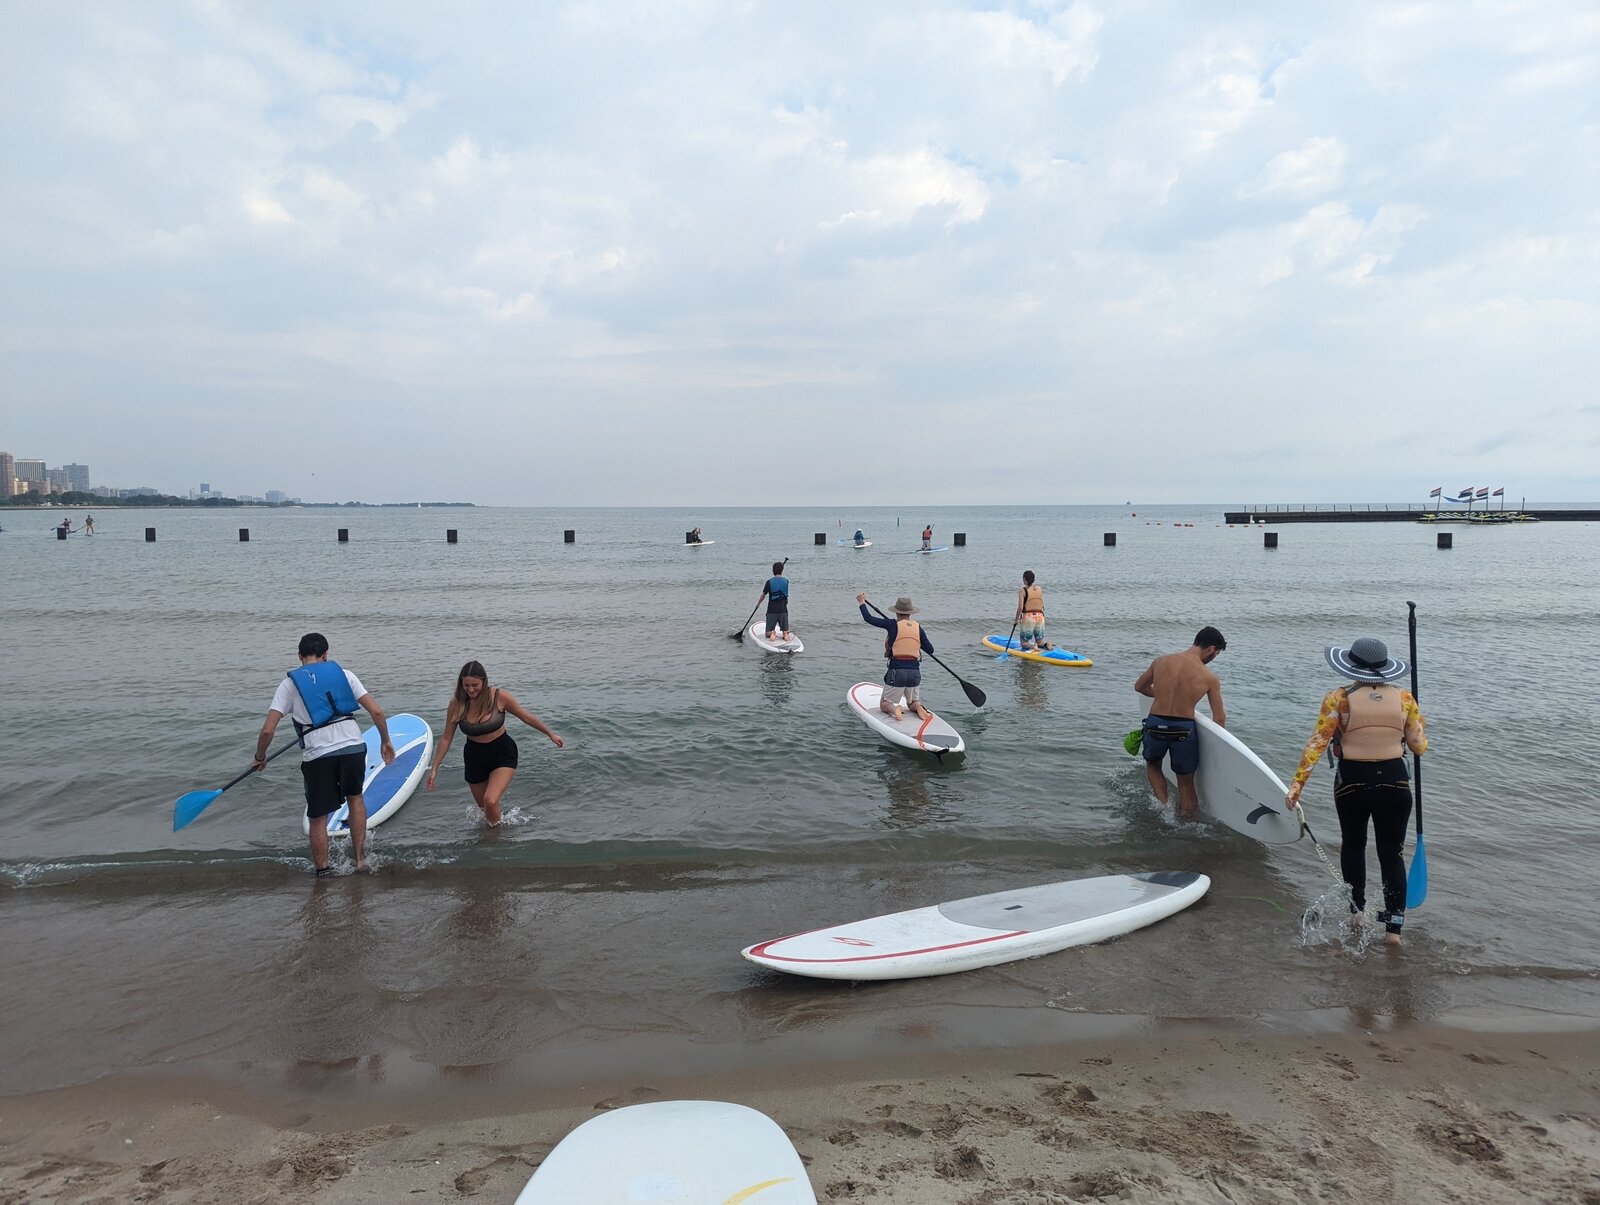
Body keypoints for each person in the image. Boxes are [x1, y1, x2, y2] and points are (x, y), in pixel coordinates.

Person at [1285, 638, 1428, 945]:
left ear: (1352, 665)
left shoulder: (1339, 698)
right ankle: (1394, 930)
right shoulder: (1405, 698)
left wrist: (1296, 786)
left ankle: (1357, 913)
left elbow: (1317, 744)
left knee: (1353, 846)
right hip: (1395, 782)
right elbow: (1419, 746)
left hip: (1352, 781)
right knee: (1393, 855)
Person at [253, 632, 393, 875]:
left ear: (299, 656)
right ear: (326, 654)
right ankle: (360, 861)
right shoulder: (345, 675)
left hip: (319, 756)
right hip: (353, 747)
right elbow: (377, 712)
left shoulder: (289, 685)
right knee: (355, 798)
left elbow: (267, 731)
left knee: (318, 815)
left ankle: (323, 871)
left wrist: (259, 756)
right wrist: (385, 741)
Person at [426, 660, 564, 826]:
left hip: (502, 753)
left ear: (484, 681)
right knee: (485, 809)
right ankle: (495, 836)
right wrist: (435, 767)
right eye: (466, 685)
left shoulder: (500, 697)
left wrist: (550, 733)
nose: (470, 690)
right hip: (474, 757)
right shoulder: (457, 704)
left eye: (475, 685)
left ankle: (495, 841)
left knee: (490, 800)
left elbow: (525, 716)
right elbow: (447, 737)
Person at [1133, 627, 1227, 820]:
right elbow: (1219, 718)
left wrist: (1162, 695)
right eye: (1215, 654)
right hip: (1183, 730)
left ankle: (1164, 808)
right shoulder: (1209, 677)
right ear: (1211, 648)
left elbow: (1139, 686)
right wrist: (1220, 752)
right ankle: (1185, 823)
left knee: (1153, 765)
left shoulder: (1161, 661)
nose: (1213, 659)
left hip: (1155, 724)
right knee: (1185, 783)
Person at [857, 593, 934, 722]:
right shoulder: (918, 627)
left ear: (896, 613)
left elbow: (868, 618)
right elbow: (930, 650)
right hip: (915, 672)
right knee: (912, 702)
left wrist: (861, 602)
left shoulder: (891, 624)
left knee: (884, 704)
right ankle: (919, 707)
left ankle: (894, 709)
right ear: (910, 613)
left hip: (896, 671)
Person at [1014, 570, 1054, 652]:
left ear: (1024, 579)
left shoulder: (1022, 591)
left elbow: (1020, 608)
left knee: (1024, 643)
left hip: (1029, 618)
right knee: (1039, 641)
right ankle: (1045, 644)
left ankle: (1034, 648)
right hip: (1040, 616)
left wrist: (1016, 620)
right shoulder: (1039, 588)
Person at [758, 561, 792, 642]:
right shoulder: (786, 581)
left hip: (772, 611)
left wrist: (758, 604)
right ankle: (785, 633)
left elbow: (763, 595)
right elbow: (786, 597)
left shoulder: (769, 582)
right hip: (783, 610)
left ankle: (772, 633)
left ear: (773, 571)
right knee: (785, 630)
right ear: (782, 571)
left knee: (767, 633)